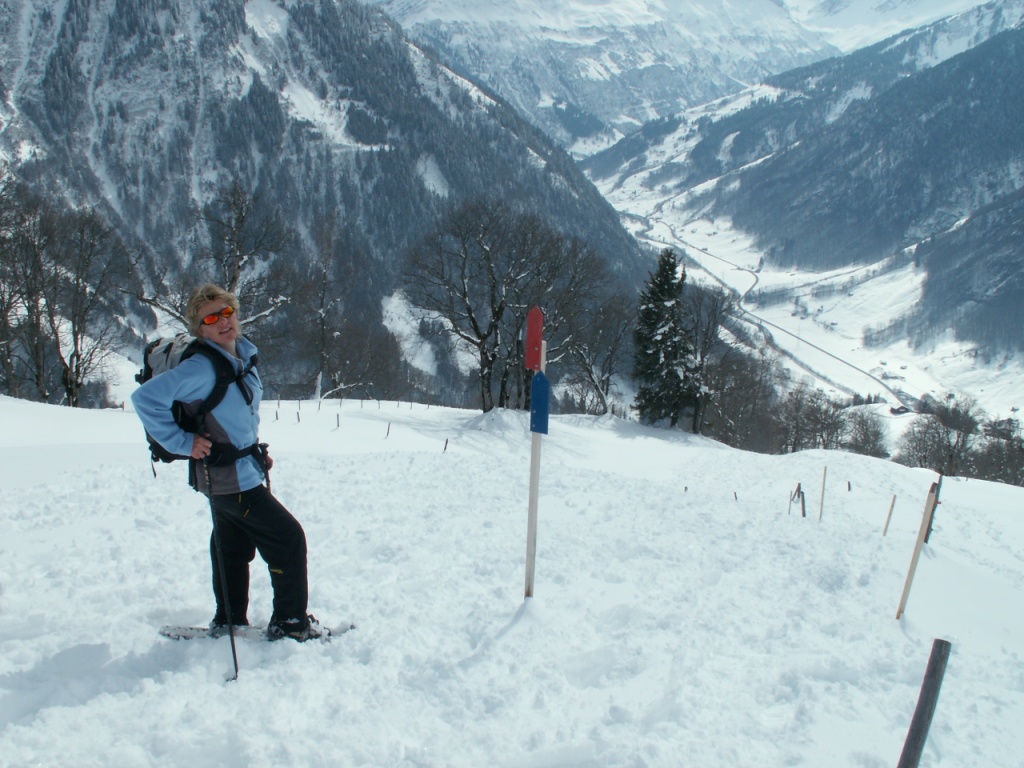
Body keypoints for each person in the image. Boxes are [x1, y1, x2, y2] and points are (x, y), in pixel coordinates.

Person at [132, 284, 325, 641]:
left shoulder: (242, 356)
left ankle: (229, 620)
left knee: (232, 545)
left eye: (227, 312)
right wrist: (182, 442)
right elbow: (145, 399)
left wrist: (251, 451)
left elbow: (237, 413)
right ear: (200, 329)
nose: (223, 322)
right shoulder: (202, 368)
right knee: (287, 538)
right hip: (227, 478)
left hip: (235, 470)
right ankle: (290, 624)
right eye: (211, 318)